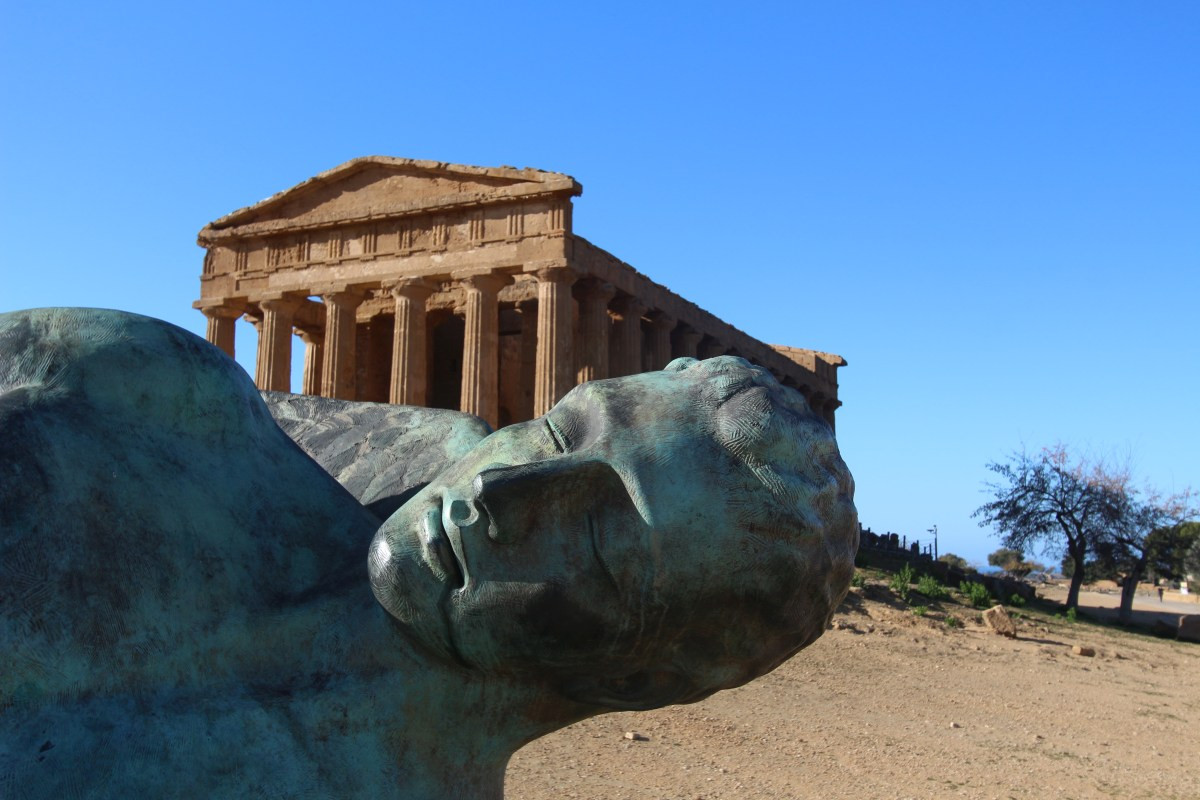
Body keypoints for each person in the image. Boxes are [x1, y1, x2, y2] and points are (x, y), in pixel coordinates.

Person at [1, 309, 856, 799]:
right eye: (560, 429)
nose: (499, 495)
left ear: (645, 680)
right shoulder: (147, 395)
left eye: (596, 538)